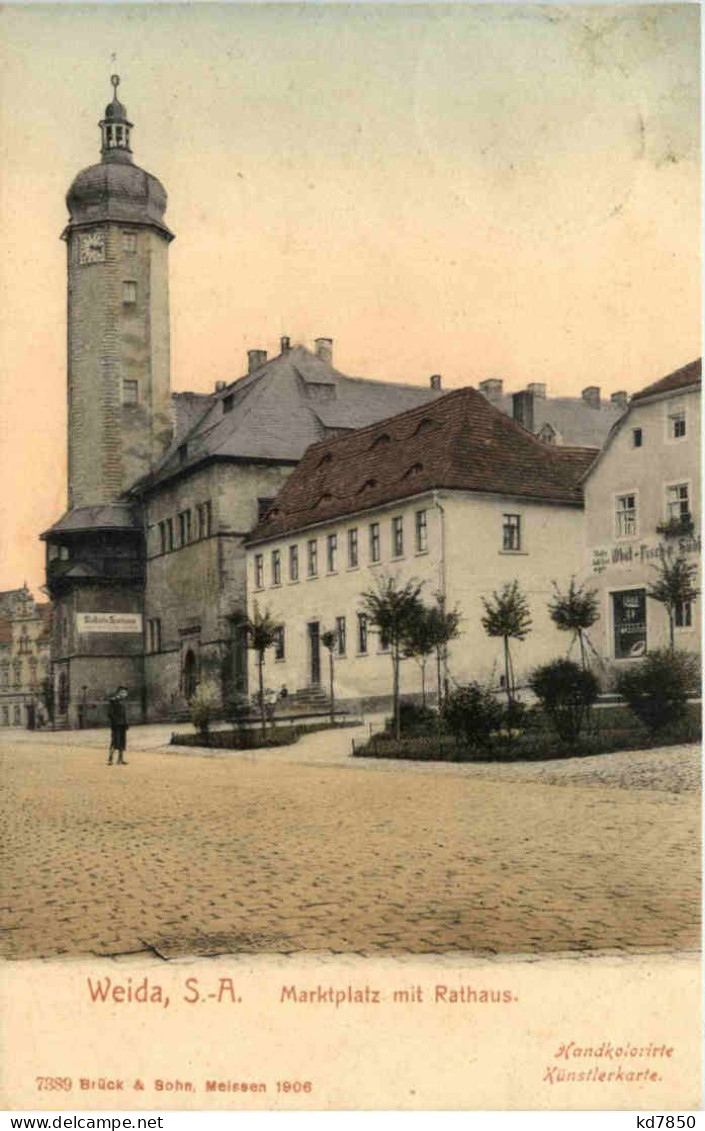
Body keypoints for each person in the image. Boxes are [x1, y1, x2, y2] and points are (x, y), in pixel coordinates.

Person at [107, 686, 129, 765]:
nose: (125, 694)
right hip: (116, 725)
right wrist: (115, 722)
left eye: (125, 693)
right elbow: (110, 714)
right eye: (122, 692)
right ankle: (110, 759)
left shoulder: (123, 702)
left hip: (123, 725)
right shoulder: (113, 701)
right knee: (114, 741)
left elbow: (124, 714)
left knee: (122, 742)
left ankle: (120, 759)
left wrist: (126, 723)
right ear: (118, 693)